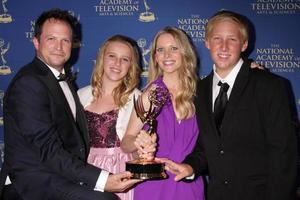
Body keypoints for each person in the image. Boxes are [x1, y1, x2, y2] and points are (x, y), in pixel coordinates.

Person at [0, 9, 140, 200]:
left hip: (63, 174)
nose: (59, 46)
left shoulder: (63, 82)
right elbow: (48, 150)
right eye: (51, 39)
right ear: (36, 42)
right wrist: (102, 180)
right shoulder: (29, 83)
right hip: (31, 182)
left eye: (65, 40)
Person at [160, 10, 298, 200]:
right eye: (217, 38)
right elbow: (207, 146)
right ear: (207, 42)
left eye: (232, 39)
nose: (223, 46)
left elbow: (284, 154)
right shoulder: (199, 89)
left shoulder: (269, 85)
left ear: (244, 44)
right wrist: (190, 167)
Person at [121, 26, 205, 200]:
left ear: (185, 53)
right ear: (155, 57)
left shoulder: (201, 93)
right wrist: (139, 143)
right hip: (154, 184)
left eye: (174, 48)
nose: (167, 55)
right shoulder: (150, 94)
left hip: (188, 182)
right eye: (161, 50)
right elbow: (126, 143)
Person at [77, 34, 141, 200]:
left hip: (120, 170)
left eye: (125, 59)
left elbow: (140, 147)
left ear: (131, 65)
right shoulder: (80, 95)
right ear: (102, 59)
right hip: (86, 169)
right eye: (112, 56)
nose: (117, 63)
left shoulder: (138, 98)